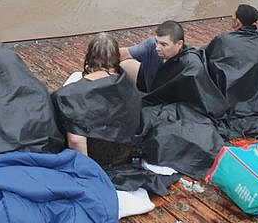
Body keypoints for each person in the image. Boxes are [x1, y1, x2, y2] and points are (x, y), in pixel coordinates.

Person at [53, 33, 141, 168]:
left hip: (92, 158)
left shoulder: (72, 94)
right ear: (116, 57)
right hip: (122, 155)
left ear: (89, 56)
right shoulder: (128, 86)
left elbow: (76, 140)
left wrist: (87, 171)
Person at [205, 4, 258, 116]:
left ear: (238, 22)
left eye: (233, 18)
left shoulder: (223, 40)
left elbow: (208, 58)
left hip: (230, 96)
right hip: (255, 98)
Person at [119, 20, 186, 93]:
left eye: (163, 45)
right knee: (124, 65)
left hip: (168, 98)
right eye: (157, 42)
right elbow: (124, 53)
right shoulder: (151, 45)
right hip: (149, 85)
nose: (157, 48)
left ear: (179, 44)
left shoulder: (189, 64)